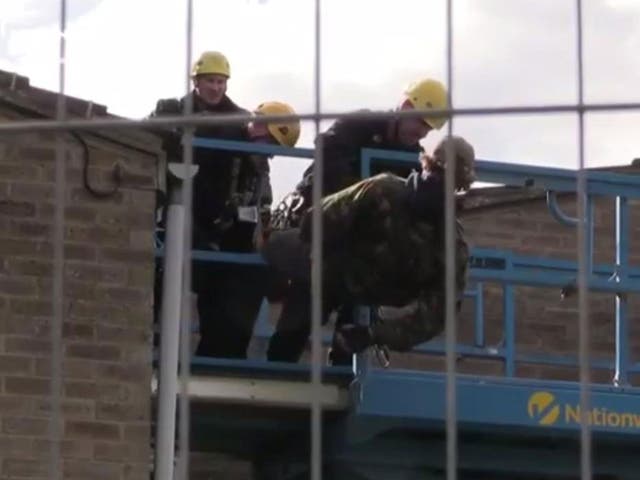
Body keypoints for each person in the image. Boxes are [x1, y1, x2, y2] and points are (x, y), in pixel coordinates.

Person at [262, 135, 475, 364]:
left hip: (348, 283)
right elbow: (437, 315)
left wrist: (376, 333)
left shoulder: (385, 190)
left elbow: (317, 218)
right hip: (349, 281)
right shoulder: (450, 240)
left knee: (272, 248)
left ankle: (290, 354)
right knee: (303, 285)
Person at [271, 77, 449, 231]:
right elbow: (328, 156)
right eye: (420, 122)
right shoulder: (359, 125)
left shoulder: (414, 158)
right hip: (316, 217)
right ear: (406, 107)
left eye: (429, 128)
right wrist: (369, 194)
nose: (422, 132)